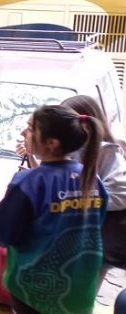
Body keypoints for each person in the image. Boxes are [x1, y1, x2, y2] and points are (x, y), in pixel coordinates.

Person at [0, 104, 107, 314]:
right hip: (79, 292)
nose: (23, 132)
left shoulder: (28, 182)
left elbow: (2, 233)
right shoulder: (93, 180)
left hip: (34, 293)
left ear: (52, 143)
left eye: (30, 128)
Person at [60, 95, 126, 286]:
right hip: (79, 238)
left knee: (81, 291)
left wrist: (78, 202)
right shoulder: (75, 150)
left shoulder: (106, 151)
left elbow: (120, 195)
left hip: (97, 240)